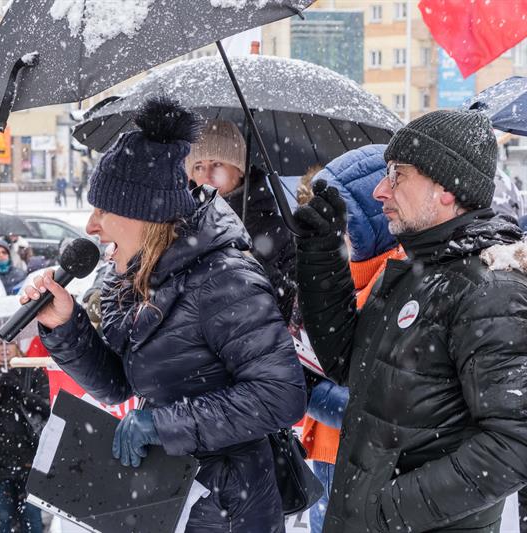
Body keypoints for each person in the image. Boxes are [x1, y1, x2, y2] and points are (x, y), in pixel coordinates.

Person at [26, 96, 306, 532]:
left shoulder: (225, 278)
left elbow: (280, 396)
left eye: (103, 210)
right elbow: (118, 385)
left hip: (229, 508)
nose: (91, 226)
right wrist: (65, 327)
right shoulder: (132, 277)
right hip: (168, 496)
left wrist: (162, 424)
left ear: (146, 216)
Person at [294, 110, 527, 532]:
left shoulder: (489, 289)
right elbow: (349, 364)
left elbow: (515, 444)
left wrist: (384, 510)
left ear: (446, 188)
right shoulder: (416, 269)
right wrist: (322, 256)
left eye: (397, 174)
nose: (381, 190)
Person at [298, 145, 406, 533]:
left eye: (341, 222)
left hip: (360, 461)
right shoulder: (351, 273)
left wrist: (306, 390)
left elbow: (373, 405)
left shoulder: (396, 281)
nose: (334, 232)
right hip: (329, 451)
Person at [185, 119, 296, 322]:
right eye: (199, 166)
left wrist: (252, 262)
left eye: (217, 164)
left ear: (240, 170)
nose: (207, 175)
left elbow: (295, 309)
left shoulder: (278, 231)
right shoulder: (180, 229)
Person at [0, 338, 50, 533]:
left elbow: (45, 407)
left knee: (32, 518)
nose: (4, 348)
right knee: (2, 518)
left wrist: (20, 390)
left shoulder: (32, 373)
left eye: (9, 343)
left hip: (29, 459)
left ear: (17, 346)